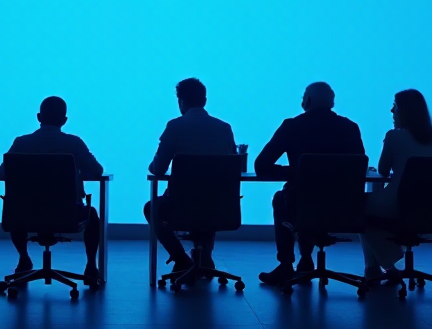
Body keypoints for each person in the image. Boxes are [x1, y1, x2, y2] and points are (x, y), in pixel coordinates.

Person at [256, 82, 365, 285]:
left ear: (307, 101)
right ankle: (306, 259)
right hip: (342, 206)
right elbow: (358, 167)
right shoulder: (350, 128)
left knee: (282, 199)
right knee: (302, 199)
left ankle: (286, 264)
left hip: (301, 203)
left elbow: (261, 165)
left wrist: (296, 171)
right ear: (332, 102)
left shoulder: (292, 126)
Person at [0, 96, 104, 279]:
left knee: (15, 205)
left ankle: (24, 258)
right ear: (64, 120)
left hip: (26, 213)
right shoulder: (74, 143)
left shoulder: (21, 143)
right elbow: (97, 170)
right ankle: (91, 266)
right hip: (66, 213)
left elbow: (3, 172)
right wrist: (79, 173)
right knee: (92, 215)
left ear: (39, 117)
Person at [143, 78, 237, 274]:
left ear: (181, 101)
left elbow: (158, 169)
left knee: (152, 208)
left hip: (180, 204)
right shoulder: (224, 128)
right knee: (209, 197)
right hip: (219, 205)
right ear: (205, 100)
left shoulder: (175, 127)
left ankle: (181, 259)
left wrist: (154, 163)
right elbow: (233, 167)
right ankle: (205, 256)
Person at [359, 89, 432, 282]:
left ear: (404, 110)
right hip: (426, 205)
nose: (391, 110)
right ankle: (385, 264)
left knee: (359, 208)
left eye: (395, 106)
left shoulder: (394, 136)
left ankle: (378, 266)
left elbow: (383, 170)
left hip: (397, 202)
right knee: (373, 212)